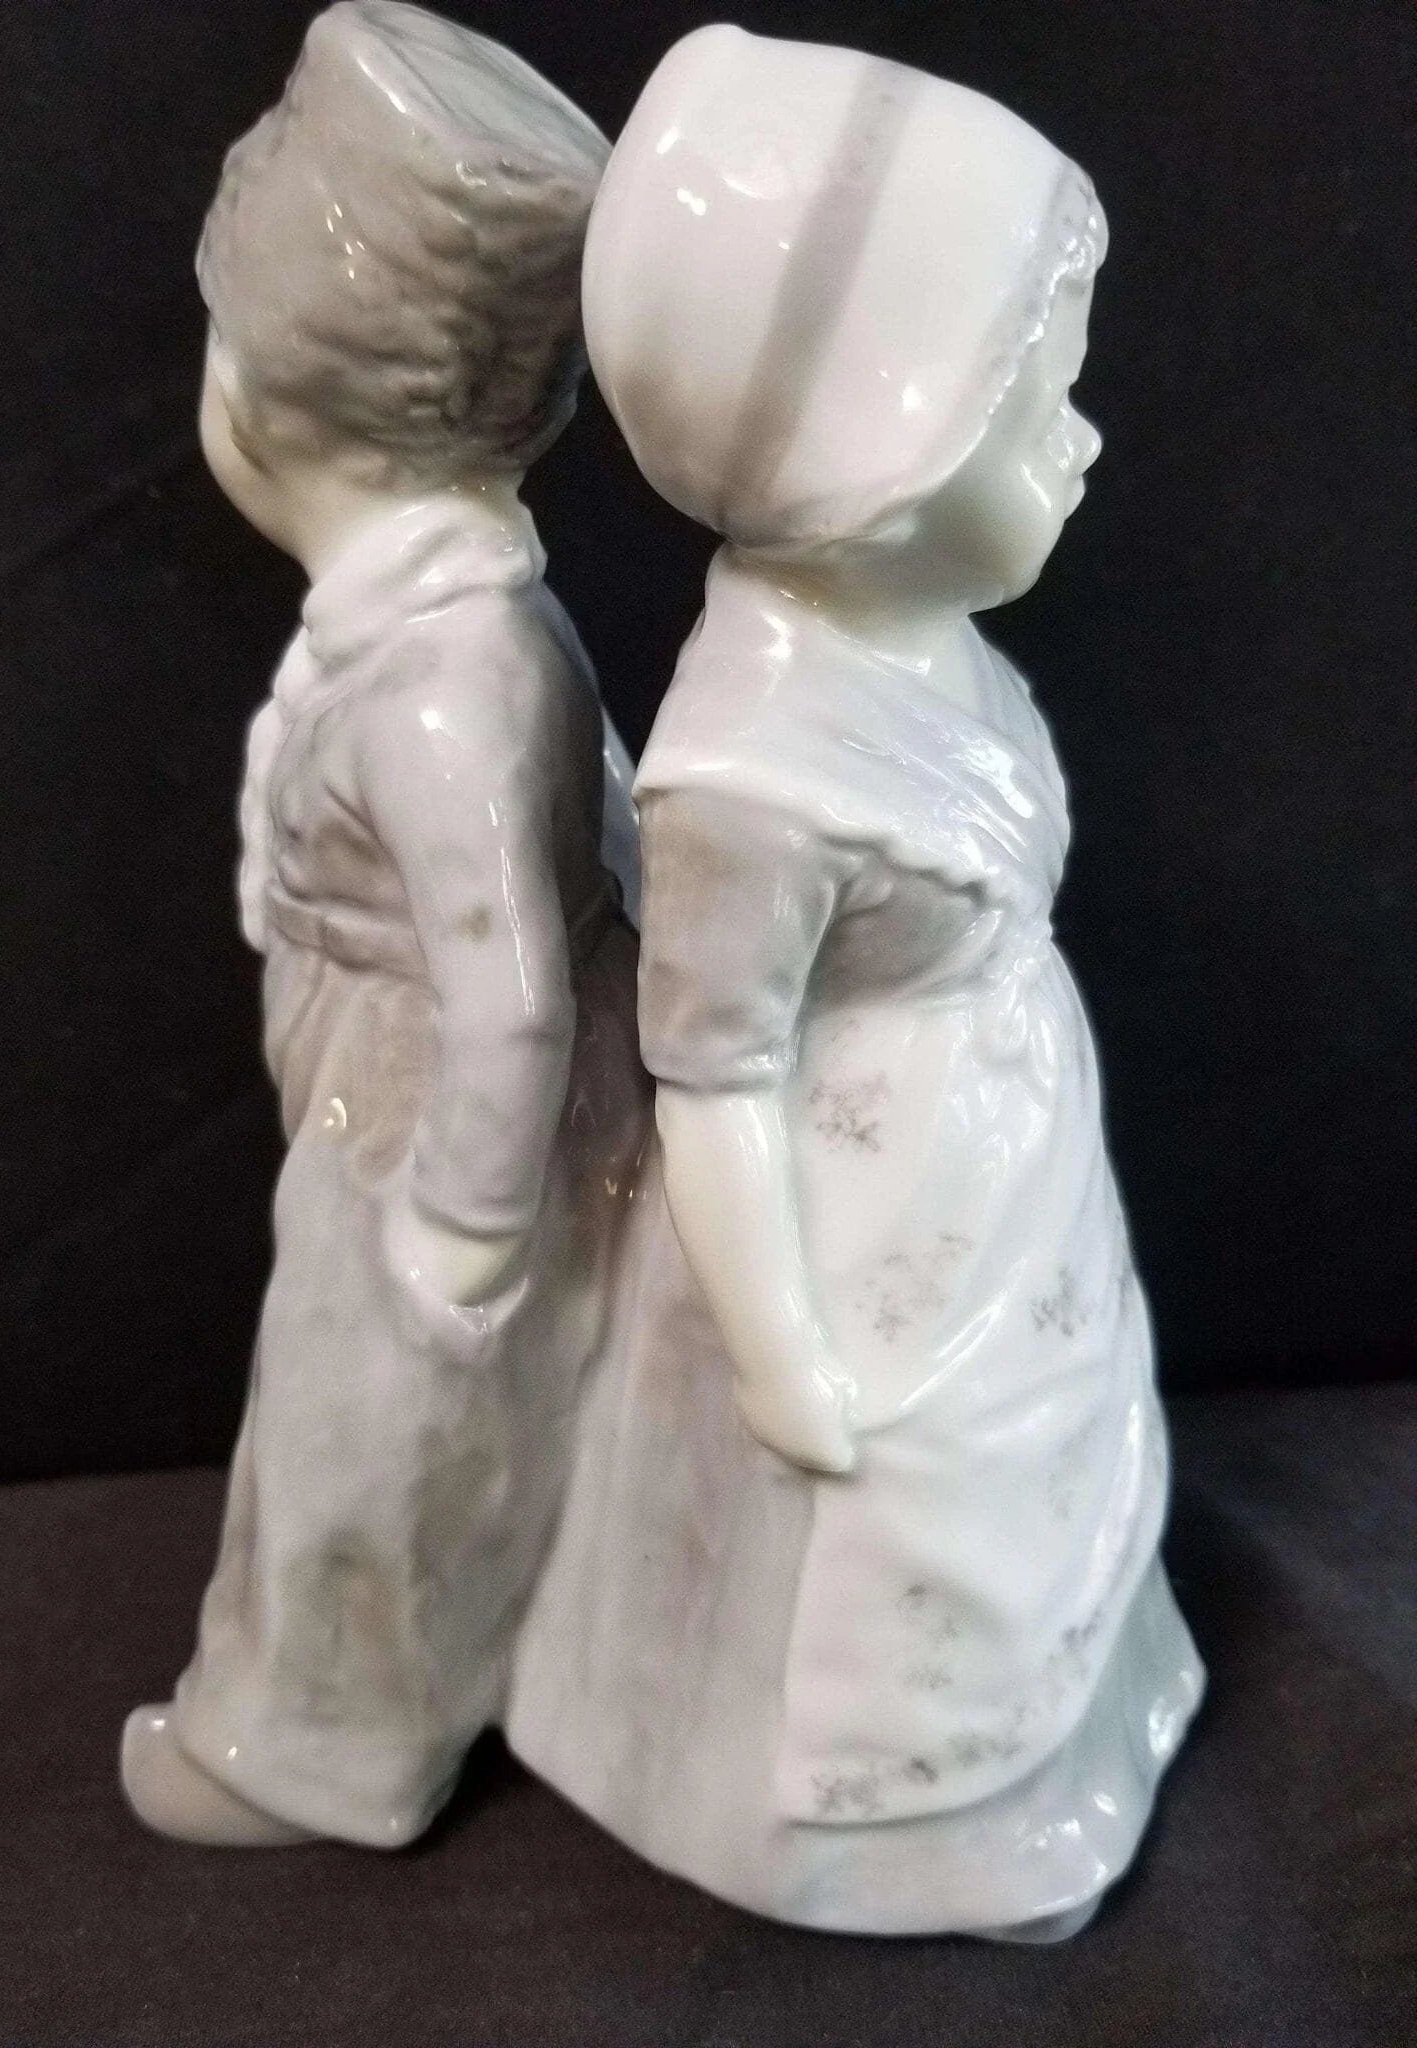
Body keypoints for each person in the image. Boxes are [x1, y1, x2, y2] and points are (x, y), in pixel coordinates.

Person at [507, 25, 1204, 1938]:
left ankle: (1052, 1752)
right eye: (1035, 412)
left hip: (999, 1179)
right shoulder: (750, 775)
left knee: (1033, 1466)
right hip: (854, 1220)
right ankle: (920, 1826)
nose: (1085, 441)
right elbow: (714, 1074)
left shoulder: (928, 651)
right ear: (870, 467)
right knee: (909, 1511)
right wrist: (782, 1352)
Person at [119, 0, 647, 1849]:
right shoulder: (436, 624)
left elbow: (511, 1006)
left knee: (369, 1426)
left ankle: (311, 1747)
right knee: (431, 1434)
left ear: (258, 397)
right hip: (389, 1080)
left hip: (424, 1129)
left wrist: (453, 1237)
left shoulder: (442, 685)